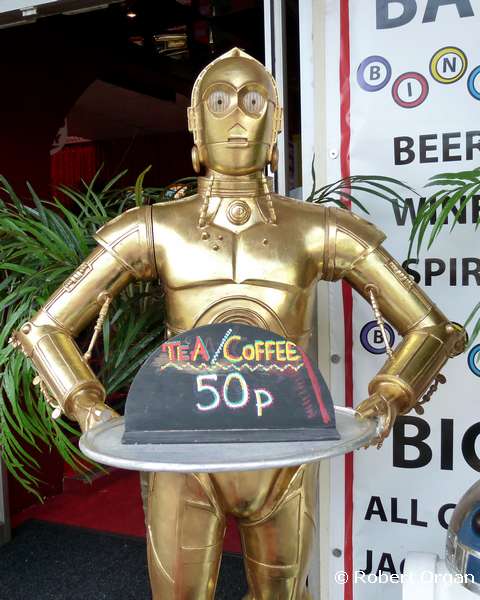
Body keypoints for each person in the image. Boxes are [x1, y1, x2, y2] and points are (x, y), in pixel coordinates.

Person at [12, 48, 466, 599]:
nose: (236, 118)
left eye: (253, 103)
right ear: (195, 122)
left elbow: (432, 328)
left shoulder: (318, 229)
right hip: (181, 454)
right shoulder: (153, 228)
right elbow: (45, 329)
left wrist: (386, 399)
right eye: (219, 101)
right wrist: (89, 409)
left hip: (285, 453)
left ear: (274, 123)